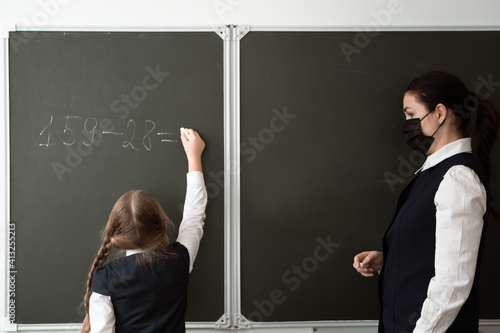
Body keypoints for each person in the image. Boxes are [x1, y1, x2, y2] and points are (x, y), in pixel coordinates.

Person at [353, 71, 499, 332]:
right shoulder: (434, 172)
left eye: (410, 114)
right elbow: (436, 251)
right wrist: (393, 260)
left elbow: (453, 283)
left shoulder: (458, 178)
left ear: (440, 113)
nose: (406, 123)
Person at [80, 128, 207, 333]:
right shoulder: (179, 260)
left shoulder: (105, 279)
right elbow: (194, 216)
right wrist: (194, 158)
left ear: (115, 234)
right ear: (163, 225)